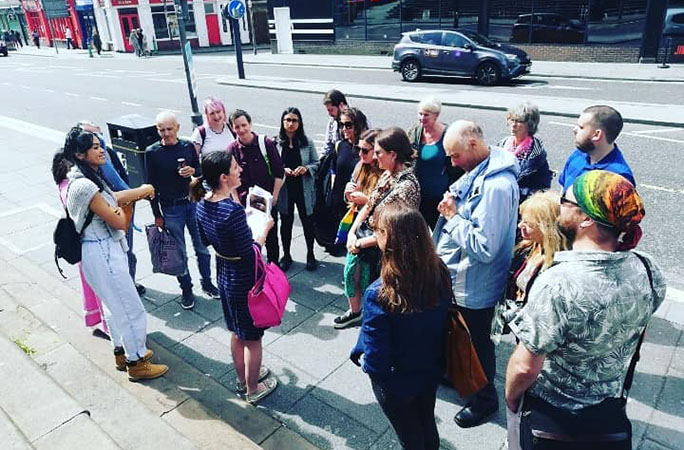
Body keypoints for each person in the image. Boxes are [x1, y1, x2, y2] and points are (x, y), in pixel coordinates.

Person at [505, 170, 665, 450]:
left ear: (587, 219)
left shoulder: (557, 283)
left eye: (565, 201)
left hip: (552, 419)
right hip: (607, 412)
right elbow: (640, 328)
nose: (559, 205)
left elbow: (525, 367)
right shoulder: (648, 269)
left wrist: (511, 401)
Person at [63, 127, 168, 381]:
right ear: (79, 153)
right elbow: (119, 221)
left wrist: (139, 191)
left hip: (96, 251)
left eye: (101, 145)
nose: (102, 150)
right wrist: (131, 204)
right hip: (103, 250)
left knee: (113, 305)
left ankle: (121, 351)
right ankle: (137, 361)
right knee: (130, 307)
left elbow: (113, 197)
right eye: (95, 147)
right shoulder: (85, 185)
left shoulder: (82, 177)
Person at [433, 120, 519, 428]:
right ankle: (456, 376)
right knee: (457, 336)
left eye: (455, 156)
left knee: (477, 345)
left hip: (475, 284)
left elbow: (485, 247)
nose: (453, 164)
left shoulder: (497, 186)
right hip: (459, 277)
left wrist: (453, 217)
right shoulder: (481, 168)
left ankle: (484, 401)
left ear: (472, 144)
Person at [350, 204, 451, 450]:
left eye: (379, 231)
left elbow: (376, 359)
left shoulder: (379, 293)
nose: (376, 235)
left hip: (397, 381)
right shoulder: (439, 270)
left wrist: (366, 363)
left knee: (409, 435)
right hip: (430, 369)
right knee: (427, 421)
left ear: (392, 238)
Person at [195, 151, 278, 404]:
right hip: (244, 280)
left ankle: (242, 379)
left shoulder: (201, 204)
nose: (239, 169)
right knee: (253, 339)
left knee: (236, 331)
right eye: (234, 167)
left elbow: (206, 240)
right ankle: (253, 389)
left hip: (225, 275)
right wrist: (263, 229)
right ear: (223, 177)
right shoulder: (231, 211)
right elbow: (251, 252)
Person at [338, 127, 420, 329]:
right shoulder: (387, 175)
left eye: (378, 153)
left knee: (383, 299)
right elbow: (369, 204)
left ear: (393, 155)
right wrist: (352, 231)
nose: (375, 157)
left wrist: (359, 242)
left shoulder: (406, 186)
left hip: (389, 253)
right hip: (368, 242)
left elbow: (394, 231)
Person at [145, 110, 219, 309]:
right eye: (162, 130)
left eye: (170, 129)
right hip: (171, 208)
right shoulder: (152, 152)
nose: (166, 133)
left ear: (178, 127)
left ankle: (208, 283)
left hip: (193, 202)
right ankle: (186, 289)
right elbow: (150, 185)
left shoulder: (186, 146)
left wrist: (194, 171)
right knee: (179, 253)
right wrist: (156, 213)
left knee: (202, 248)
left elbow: (201, 170)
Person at [77, 120, 146, 295]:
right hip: (104, 225)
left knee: (127, 249)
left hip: (123, 210)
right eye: (91, 138)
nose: (98, 143)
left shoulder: (108, 155)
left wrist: (131, 198)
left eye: (98, 135)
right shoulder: (82, 177)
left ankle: (131, 281)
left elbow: (122, 179)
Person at [492, 191, 566, 343]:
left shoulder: (558, 265)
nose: (520, 226)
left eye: (528, 224)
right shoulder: (527, 247)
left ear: (547, 228)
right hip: (519, 321)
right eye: (521, 220)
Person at [52, 150, 109, 337]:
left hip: (79, 243)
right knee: (101, 288)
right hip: (89, 242)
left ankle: (97, 321)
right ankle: (108, 328)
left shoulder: (62, 184)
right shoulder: (76, 186)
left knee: (90, 285)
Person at [338, 129, 383, 328]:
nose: (360, 154)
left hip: (375, 232)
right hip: (357, 227)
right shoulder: (360, 167)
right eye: (359, 149)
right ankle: (355, 311)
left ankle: (368, 313)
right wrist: (348, 194)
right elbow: (350, 198)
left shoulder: (385, 173)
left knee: (370, 277)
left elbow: (389, 211)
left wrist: (367, 200)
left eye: (366, 150)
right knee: (350, 273)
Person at [228, 109, 285, 265]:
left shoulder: (265, 143)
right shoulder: (232, 149)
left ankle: (274, 267)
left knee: (271, 237)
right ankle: (255, 268)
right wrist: (236, 200)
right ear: (232, 128)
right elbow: (230, 178)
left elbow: (279, 172)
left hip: (266, 201)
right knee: (249, 238)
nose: (241, 130)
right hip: (245, 203)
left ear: (250, 124)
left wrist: (275, 197)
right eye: (237, 127)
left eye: (244, 125)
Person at [407, 96, 464, 228]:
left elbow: (458, 166)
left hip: (439, 195)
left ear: (436, 115)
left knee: (438, 233)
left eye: (426, 115)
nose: (421, 118)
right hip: (416, 195)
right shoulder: (414, 132)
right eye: (420, 114)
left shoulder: (448, 134)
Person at [276, 107, 319, 272]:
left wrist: (306, 169)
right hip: (286, 190)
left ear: (299, 123)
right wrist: (283, 170)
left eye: (294, 120)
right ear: (282, 122)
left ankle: (310, 254)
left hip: (303, 188)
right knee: (285, 223)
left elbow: (317, 162)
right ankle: (286, 255)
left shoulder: (307, 142)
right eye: (287, 120)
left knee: (308, 222)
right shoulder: (276, 143)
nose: (291, 124)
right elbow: (272, 166)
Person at [558, 105, 635, 190]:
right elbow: (563, 189)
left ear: (597, 135)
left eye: (581, 127)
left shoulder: (618, 177)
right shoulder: (578, 154)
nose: (574, 130)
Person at [496, 102, 552, 203]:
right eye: (512, 120)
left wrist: (515, 193)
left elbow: (542, 189)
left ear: (530, 124)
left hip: (522, 206)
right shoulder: (501, 145)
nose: (513, 125)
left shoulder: (536, 155)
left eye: (519, 121)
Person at [323, 89, 348, 156]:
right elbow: (328, 148)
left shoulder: (358, 119)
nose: (329, 114)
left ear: (341, 105)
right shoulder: (332, 122)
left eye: (331, 110)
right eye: (328, 110)